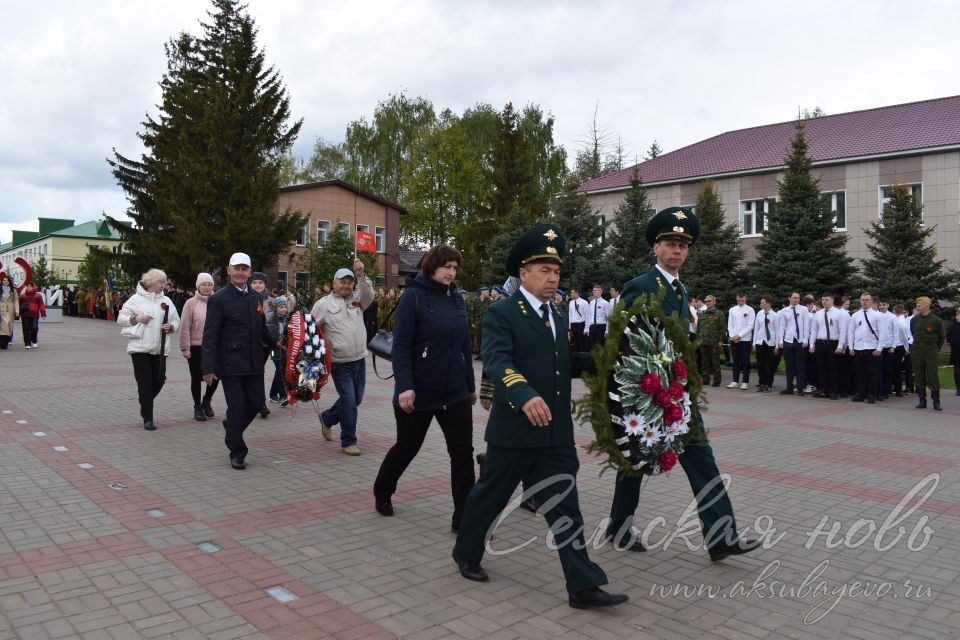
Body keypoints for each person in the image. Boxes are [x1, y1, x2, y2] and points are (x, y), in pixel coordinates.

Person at [452, 223, 627, 610]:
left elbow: (562, 362)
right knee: (490, 496)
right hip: (515, 428)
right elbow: (498, 361)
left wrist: (611, 361)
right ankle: (466, 551)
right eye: (545, 270)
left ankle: (582, 586)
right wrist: (525, 395)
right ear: (523, 273)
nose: (553, 278)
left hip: (554, 433)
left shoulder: (557, 314)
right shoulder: (502, 313)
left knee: (566, 504)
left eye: (557, 271)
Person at [606, 206, 760, 563]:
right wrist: (639, 392)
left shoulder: (679, 289)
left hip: (677, 395)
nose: (677, 251)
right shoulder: (641, 286)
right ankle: (618, 525)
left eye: (683, 245)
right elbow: (624, 340)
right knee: (636, 459)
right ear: (655, 248)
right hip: (647, 393)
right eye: (670, 244)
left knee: (702, 459)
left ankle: (722, 536)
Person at [373, 244, 476, 530]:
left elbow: (464, 345)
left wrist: (469, 384)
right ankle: (383, 489)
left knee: (462, 453)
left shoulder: (456, 298)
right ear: (432, 266)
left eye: (455, 268)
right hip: (419, 390)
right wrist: (405, 386)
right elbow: (402, 346)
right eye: (447, 267)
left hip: (454, 391)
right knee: (408, 447)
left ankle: (464, 518)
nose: (452, 273)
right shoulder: (413, 297)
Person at [202, 253, 274, 469]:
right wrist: (208, 367)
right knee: (236, 407)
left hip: (254, 363)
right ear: (229, 270)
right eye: (237, 268)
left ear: (250, 272)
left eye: (245, 269)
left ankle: (232, 429)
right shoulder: (219, 299)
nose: (241, 272)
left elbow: (262, 328)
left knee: (255, 403)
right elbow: (210, 335)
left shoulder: (255, 297)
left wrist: (279, 343)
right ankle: (237, 450)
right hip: (231, 364)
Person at [311, 259, 375, 456]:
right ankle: (348, 441)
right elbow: (311, 330)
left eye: (349, 282)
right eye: (342, 282)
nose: (346, 285)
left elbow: (369, 295)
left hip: (359, 359)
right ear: (334, 283)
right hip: (339, 363)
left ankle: (328, 418)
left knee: (356, 400)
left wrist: (361, 275)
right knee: (349, 401)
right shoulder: (323, 304)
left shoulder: (357, 300)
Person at [117, 269, 180, 431]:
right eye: (161, 282)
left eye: (165, 282)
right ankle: (148, 417)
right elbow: (121, 319)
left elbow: (176, 319)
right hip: (140, 348)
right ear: (151, 282)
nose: (164, 285)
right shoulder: (135, 300)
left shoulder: (166, 300)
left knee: (160, 380)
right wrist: (136, 318)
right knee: (145, 384)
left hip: (160, 349)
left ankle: (145, 402)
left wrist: (171, 326)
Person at [180, 272, 219, 421]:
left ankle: (207, 400)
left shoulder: (217, 301)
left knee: (216, 376)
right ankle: (197, 407)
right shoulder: (191, 303)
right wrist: (185, 347)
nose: (207, 287)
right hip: (196, 346)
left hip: (215, 346)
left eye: (210, 284)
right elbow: (184, 326)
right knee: (196, 378)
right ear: (198, 286)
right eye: (204, 284)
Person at [845, 292, 887, 404]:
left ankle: (871, 394)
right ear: (860, 301)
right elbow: (851, 331)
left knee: (872, 372)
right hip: (858, 348)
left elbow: (882, 333)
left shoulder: (877, 315)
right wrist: (851, 346)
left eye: (867, 300)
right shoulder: (855, 315)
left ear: (872, 301)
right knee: (860, 372)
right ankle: (861, 393)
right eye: (863, 300)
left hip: (872, 348)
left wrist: (879, 348)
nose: (865, 302)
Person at [808, 294, 847, 400]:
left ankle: (833, 390)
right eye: (823, 300)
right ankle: (823, 389)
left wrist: (840, 346)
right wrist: (812, 344)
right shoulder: (818, 314)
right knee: (821, 368)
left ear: (832, 301)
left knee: (833, 368)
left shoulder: (839, 314)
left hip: (833, 343)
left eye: (826, 300)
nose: (824, 301)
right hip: (821, 343)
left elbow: (842, 330)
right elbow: (814, 330)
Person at [910, 296, 946, 410]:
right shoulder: (914, 320)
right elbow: (913, 333)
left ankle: (936, 401)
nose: (917, 307)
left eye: (919, 306)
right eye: (917, 305)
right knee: (918, 374)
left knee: (932, 375)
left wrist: (935, 348)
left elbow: (941, 337)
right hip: (917, 350)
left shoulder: (936, 320)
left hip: (931, 350)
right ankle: (922, 401)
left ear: (926, 306)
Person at [776, 291, 811, 396]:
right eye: (794, 297)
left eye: (798, 298)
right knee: (789, 366)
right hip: (788, 341)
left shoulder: (804, 309)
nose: (796, 299)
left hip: (800, 341)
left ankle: (800, 388)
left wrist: (805, 340)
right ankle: (789, 388)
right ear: (790, 298)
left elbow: (806, 325)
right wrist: (780, 341)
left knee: (800, 366)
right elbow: (782, 326)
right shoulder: (784, 311)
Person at [249, 272, 274, 419]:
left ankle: (260, 403)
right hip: (251, 343)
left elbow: (276, 320)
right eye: (254, 283)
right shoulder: (247, 299)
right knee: (256, 373)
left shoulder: (271, 301)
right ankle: (259, 403)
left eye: (260, 282)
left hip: (267, 343)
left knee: (259, 372)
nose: (257, 285)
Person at [726, 291, 755, 390]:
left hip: (745, 339)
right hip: (734, 339)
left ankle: (745, 382)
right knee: (735, 361)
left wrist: (740, 335)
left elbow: (750, 325)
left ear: (745, 299)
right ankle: (735, 381)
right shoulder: (732, 310)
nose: (740, 302)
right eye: (739, 300)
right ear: (736, 298)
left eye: (742, 300)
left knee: (745, 361)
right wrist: (732, 336)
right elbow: (730, 325)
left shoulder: (750, 310)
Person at [752, 295, 779, 392]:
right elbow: (756, 329)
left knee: (769, 364)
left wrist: (776, 346)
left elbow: (777, 331)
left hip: (770, 343)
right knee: (760, 364)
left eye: (762, 302)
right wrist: (754, 343)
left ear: (768, 303)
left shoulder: (775, 316)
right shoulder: (759, 314)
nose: (761, 304)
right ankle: (762, 383)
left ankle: (768, 383)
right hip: (760, 341)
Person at [698, 295, 724, 386]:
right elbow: (699, 328)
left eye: (709, 301)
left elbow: (722, 328)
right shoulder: (702, 314)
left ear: (714, 302)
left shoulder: (719, 313)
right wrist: (698, 339)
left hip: (714, 342)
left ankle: (717, 381)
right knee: (704, 362)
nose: (707, 303)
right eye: (706, 301)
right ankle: (705, 379)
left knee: (715, 362)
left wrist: (721, 340)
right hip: (703, 341)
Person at [268, 296, 290, 404]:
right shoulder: (272, 319)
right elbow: (270, 335)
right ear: (276, 308)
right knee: (281, 371)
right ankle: (283, 396)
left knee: (279, 372)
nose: (283, 309)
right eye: (281, 307)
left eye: (285, 307)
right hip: (274, 349)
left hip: (285, 349)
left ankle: (272, 394)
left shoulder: (288, 318)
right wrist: (277, 344)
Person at [18, 284, 46, 348]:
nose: (28, 287)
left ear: (33, 287)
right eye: (27, 286)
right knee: (26, 328)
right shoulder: (22, 296)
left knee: (34, 327)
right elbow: (19, 306)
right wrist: (17, 315)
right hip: (25, 315)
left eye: (30, 286)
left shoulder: (38, 296)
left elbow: (41, 305)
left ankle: (34, 340)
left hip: (35, 315)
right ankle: (27, 343)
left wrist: (43, 314)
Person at [567, 288, 588, 352]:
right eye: (570, 293)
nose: (570, 294)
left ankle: (582, 356)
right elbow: (570, 314)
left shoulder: (584, 302)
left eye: (572, 293)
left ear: (577, 293)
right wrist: (569, 325)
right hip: (573, 324)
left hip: (581, 324)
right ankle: (576, 356)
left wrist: (586, 328)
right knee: (574, 343)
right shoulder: (571, 302)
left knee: (581, 342)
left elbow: (587, 315)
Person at [0, 275, 18, 349]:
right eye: (4, 280)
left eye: (7, 280)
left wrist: (17, 311)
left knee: (8, 327)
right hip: (1, 308)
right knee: (2, 327)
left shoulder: (13, 290)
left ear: (9, 282)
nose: (6, 282)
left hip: (10, 309)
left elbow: (16, 301)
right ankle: (2, 344)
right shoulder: (0, 289)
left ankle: (5, 344)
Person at [948, 309, 960, 396]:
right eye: (957, 316)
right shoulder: (953, 326)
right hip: (956, 351)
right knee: (957, 370)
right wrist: (952, 342)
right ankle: (958, 388)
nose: (958, 317)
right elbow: (948, 336)